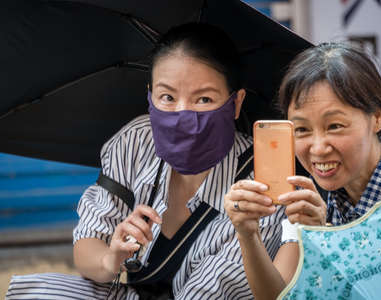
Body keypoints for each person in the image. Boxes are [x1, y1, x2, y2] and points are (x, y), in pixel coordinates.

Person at [6, 23, 285, 300]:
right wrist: (110, 257)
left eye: (203, 99)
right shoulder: (136, 140)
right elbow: (89, 245)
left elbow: (212, 291)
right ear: (150, 95)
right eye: (167, 97)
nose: (182, 113)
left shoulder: (261, 183)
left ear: (236, 103)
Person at [224, 42, 381, 300]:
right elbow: (277, 296)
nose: (318, 149)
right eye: (301, 130)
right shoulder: (319, 199)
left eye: (334, 126)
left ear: (377, 117)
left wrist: (329, 244)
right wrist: (247, 233)